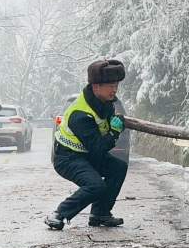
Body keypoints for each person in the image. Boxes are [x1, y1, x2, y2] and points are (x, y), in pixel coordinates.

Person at [45, 59, 129, 230]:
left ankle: (100, 213)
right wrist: (114, 132)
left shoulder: (105, 103)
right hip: (67, 157)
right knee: (95, 185)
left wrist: (114, 124)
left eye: (116, 85)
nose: (114, 90)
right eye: (110, 86)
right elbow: (98, 148)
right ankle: (58, 214)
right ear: (96, 86)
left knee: (118, 167)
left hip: (86, 154)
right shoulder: (80, 114)